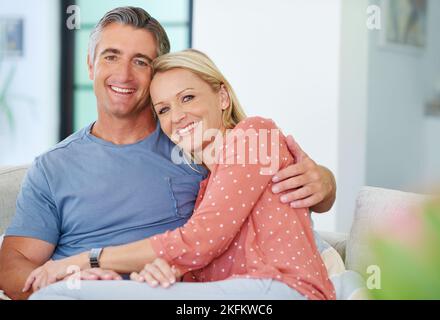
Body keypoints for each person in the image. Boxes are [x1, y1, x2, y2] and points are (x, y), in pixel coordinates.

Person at [0, 7, 336, 300]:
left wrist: (324, 183)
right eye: (111, 56)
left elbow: (228, 220)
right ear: (91, 65)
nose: (123, 74)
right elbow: (12, 266)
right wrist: (71, 276)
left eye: (140, 61)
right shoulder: (53, 167)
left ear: (155, 73)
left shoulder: (195, 150)